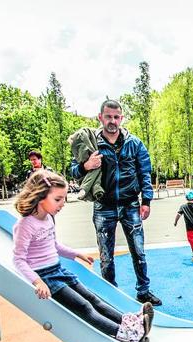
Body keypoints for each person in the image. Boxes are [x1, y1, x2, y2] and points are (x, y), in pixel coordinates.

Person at [12, 170, 154, 342]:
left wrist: (76, 253)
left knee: (93, 299)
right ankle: (127, 334)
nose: (62, 204)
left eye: (64, 198)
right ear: (40, 196)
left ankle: (131, 322)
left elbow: (54, 245)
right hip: (46, 278)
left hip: (57, 270)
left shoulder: (48, 218)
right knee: (84, 306)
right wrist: (37, 282)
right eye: (58, 199)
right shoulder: (25, 225)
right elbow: (18, 259)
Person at [71, 99, 160, 305]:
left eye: (116, 117)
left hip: (131, 205)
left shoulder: (134, 143)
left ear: (122, 118)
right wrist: (86, 165)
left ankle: (143, 290)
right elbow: (73, 171)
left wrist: (146, 200)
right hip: (104, 207)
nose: (112, 121)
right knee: (106, 255)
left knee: (138, 250)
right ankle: (111, 294)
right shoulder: (91, 143)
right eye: (108, 116)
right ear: (100, 117)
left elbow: (144, 172)